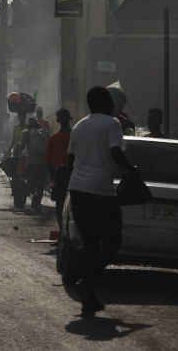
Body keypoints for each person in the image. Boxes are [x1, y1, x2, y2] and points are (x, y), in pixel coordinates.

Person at [65, 86, 138, 317]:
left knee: (89, 241)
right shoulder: (111, 124)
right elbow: (116, 152)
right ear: (104, 102)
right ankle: (88, 281)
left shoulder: (79, 126)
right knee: (112, 240)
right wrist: (131, 171)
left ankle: (88, 293)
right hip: (101, 191)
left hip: (78, 190)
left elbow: (70, 159)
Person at [46, 108, 72, 229]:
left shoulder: (54, 138)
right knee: (69, 207)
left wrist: (52, 179)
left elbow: (48, 161)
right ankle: (65, 233)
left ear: (58, 120)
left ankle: (63, 232)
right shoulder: (73, 136)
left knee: (60, 206)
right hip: (72, 176)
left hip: (61, 177)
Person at [22, 116, 50, 214]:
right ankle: (36, 204)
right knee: (40, 184)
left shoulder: (26, 132)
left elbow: (21, 146)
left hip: (32, 162)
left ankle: (31, 203)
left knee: (31, 183)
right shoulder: (44, 132)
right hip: (43, 163)